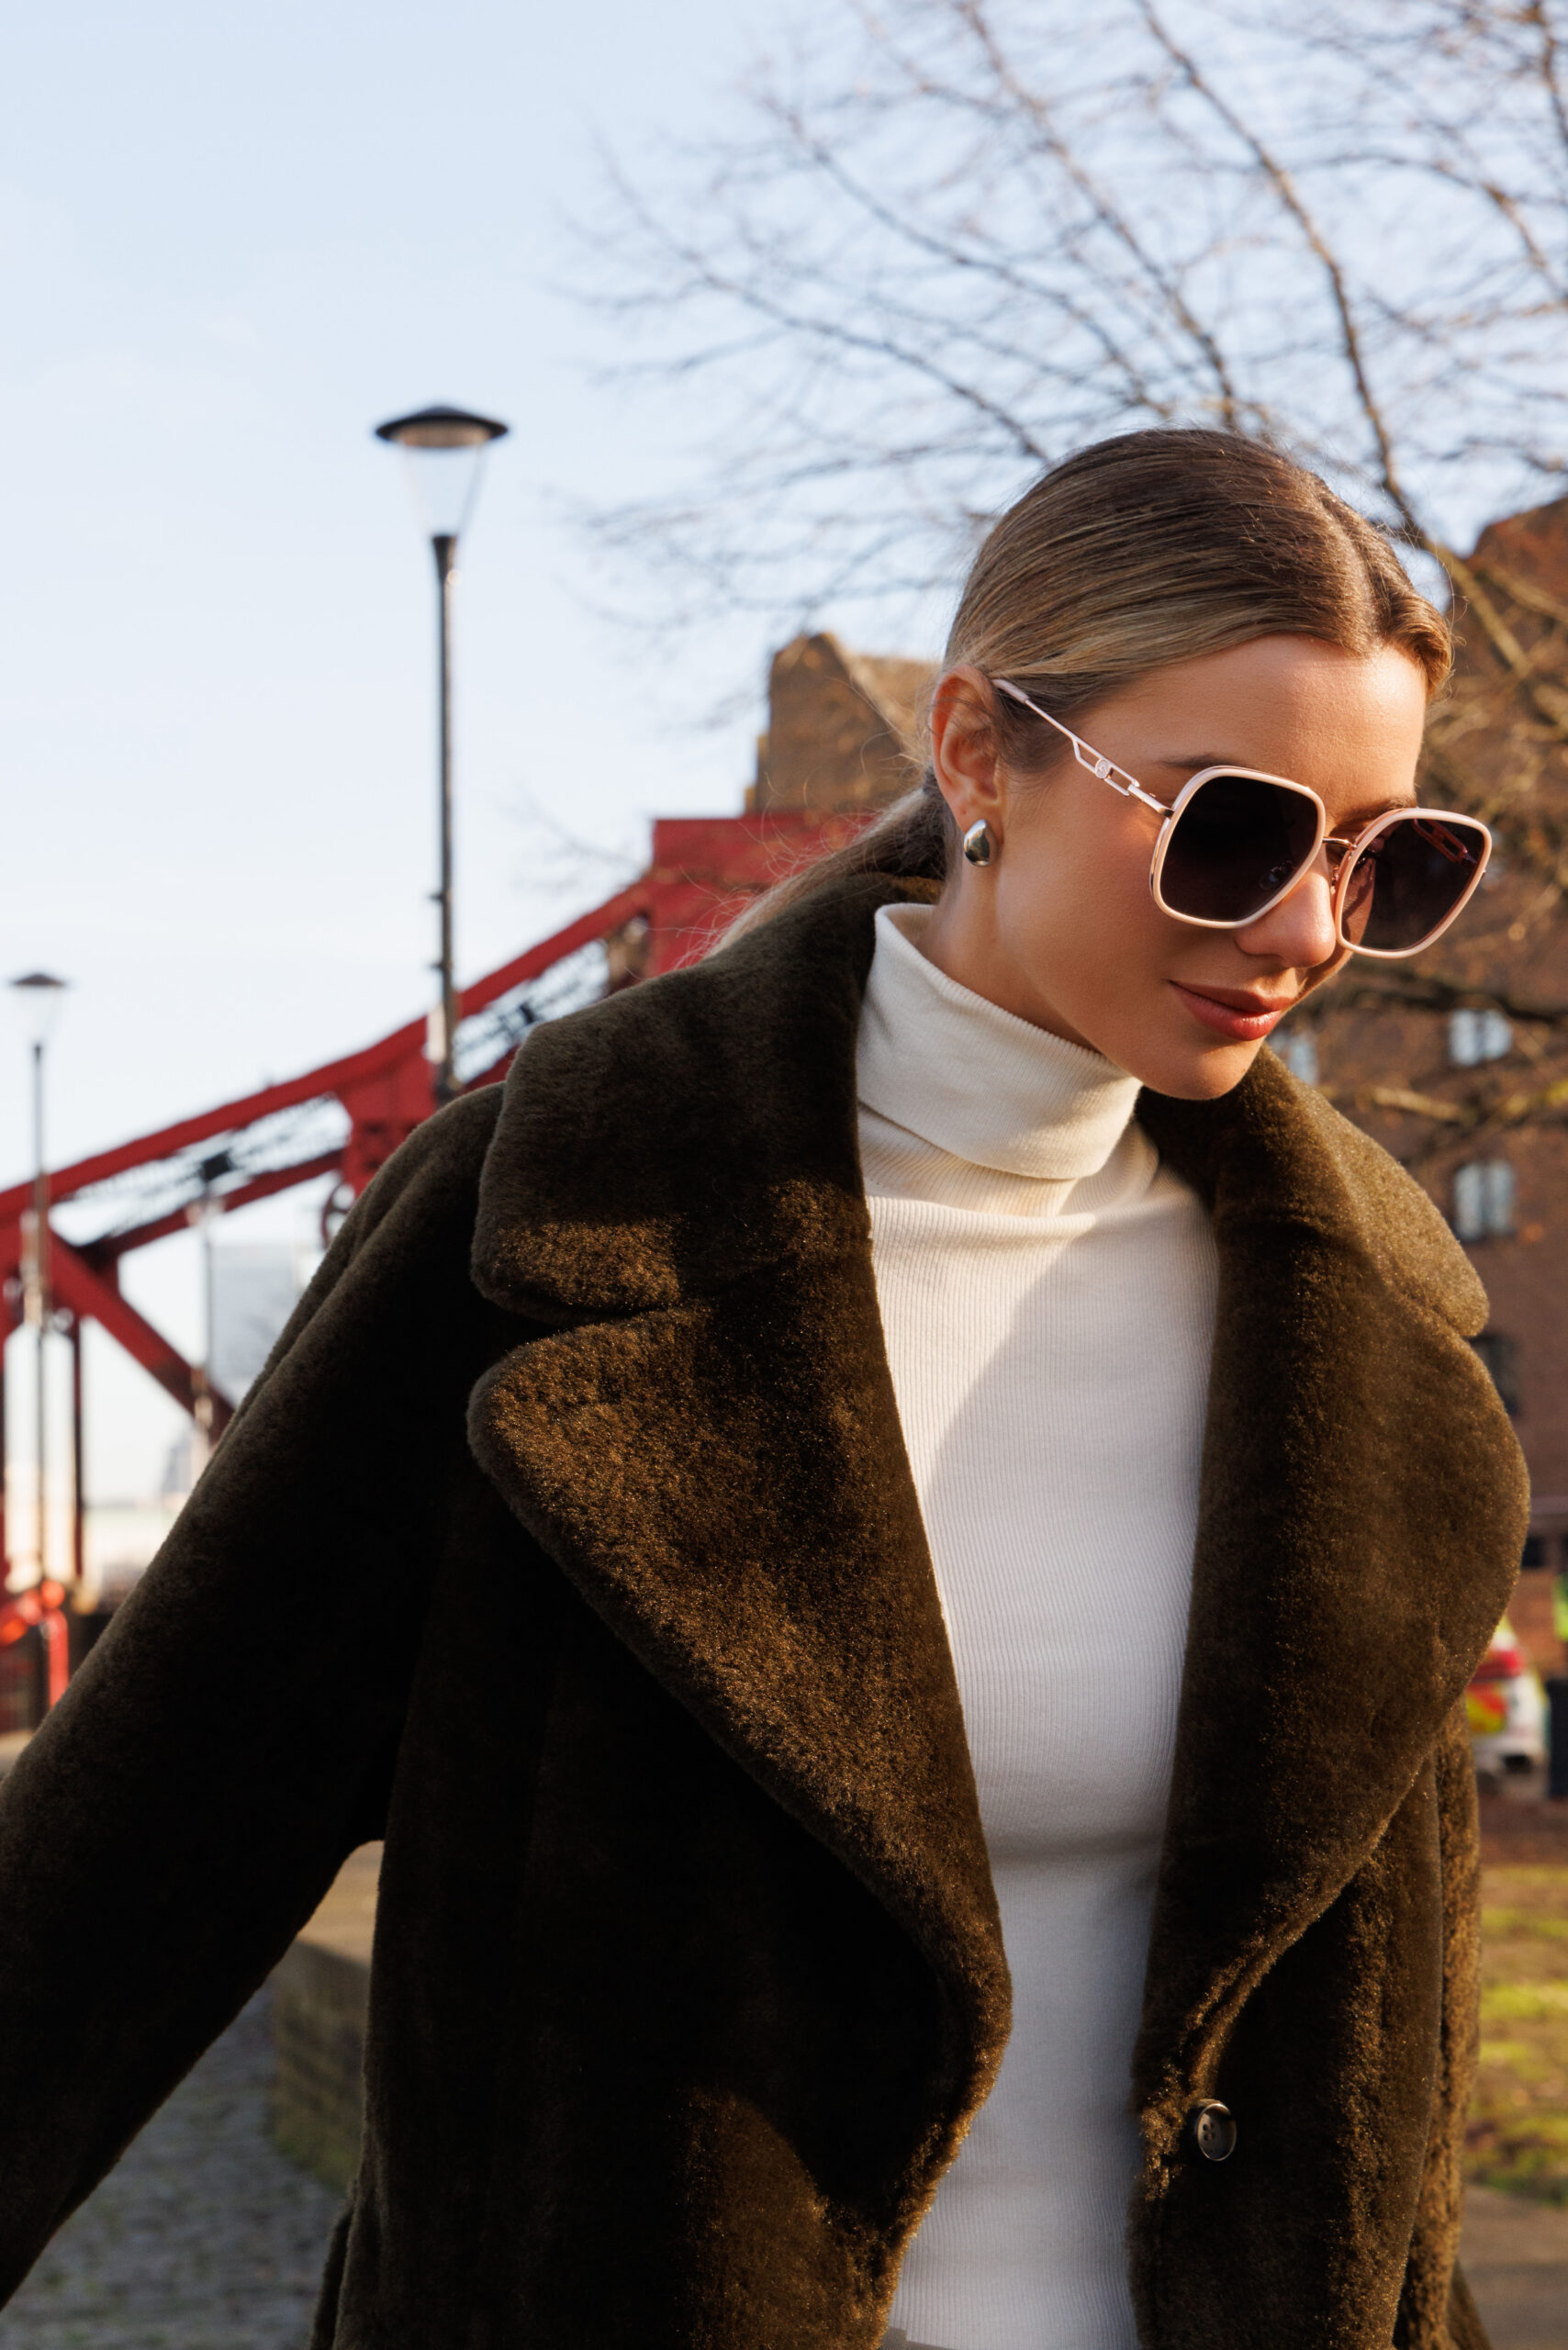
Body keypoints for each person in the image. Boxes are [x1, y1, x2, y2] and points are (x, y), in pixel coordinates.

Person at [0, 429, 1525, 2350]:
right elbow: (119, 1872)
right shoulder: (545, 1223)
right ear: (979, 751)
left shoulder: (1365, 1322)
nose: (1305, 928)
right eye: (1230, 826)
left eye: (1385, 859)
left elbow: (1374, 2098)